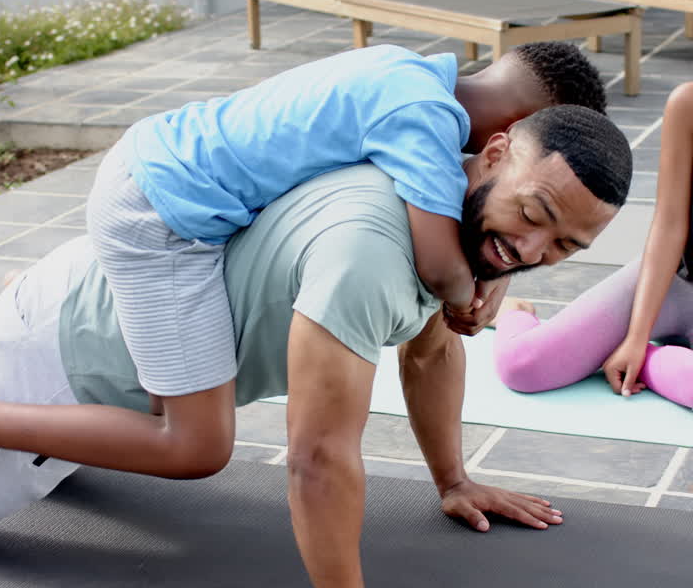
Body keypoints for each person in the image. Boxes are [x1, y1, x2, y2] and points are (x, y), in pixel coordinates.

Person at [0, 104, 631, 588]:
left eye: (564, 245)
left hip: (85, 314)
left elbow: (431, 352)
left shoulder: (432, 197)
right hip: (54, 368)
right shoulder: (370, 258)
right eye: (533, 213)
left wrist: (454, 479)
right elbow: (318, 455)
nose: (533, 248)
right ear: (495, 153)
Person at [82, 40, 605, 481]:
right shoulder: (423, 122)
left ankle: (81, 297)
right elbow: (440, 268)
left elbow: (471, 228)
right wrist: (475, 303)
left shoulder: (410, 74)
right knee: (193, 439)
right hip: (161, 209)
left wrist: (499, 276)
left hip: (161, 158)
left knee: (169, 390)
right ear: (513, 142)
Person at [494, 82, 693, 409]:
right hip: (678, 283)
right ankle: (513, 312)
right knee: (522, 366)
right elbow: (670, 225)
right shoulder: (688, 104)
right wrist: (636, 337)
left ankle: (652, 363)